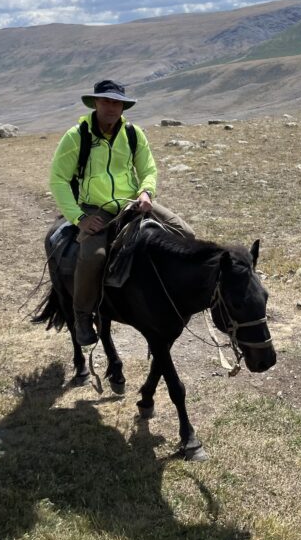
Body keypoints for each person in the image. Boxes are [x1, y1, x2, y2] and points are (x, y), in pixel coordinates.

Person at [49, 79, 193, 347]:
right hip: (96, 208)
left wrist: (146, 193)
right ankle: (82, 316)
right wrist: (79, 218)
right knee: (94, 257)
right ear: (95, 103)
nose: (111, 107)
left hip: (132, 202)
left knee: (185, 233)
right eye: (106, 101)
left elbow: (148, 169)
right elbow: (58, 179)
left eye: (117, 102)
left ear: (123, 107)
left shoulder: (133, 134)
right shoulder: (77, 136)